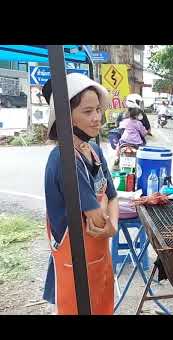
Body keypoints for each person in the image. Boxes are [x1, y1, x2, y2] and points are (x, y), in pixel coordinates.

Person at [42, 73, 119, 315]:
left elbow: (113, 196)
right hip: (74, 267)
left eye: (98, 109)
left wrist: (112, 225)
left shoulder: (94, 150)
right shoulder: (64, 160)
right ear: (67, 117)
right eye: (87, 112)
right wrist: (105, 206)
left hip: (98, 260)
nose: (97, 118)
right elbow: (97, 218)